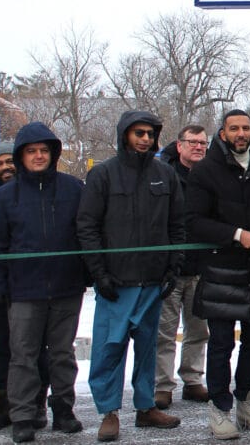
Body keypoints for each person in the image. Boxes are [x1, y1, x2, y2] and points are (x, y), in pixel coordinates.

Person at [77, 110, 184, 441]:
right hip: (116, 284)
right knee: (110, 350)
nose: (145, 139)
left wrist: (173, 267)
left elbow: (178, 225)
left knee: (148, 349)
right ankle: (109, 412)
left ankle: (146, 407)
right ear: (125, 135)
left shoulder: (165, 175)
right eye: (139, 133)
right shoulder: (104, 175)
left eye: (150, 134)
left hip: (153, 282)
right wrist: (99, 273)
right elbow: (87, 225)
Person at [0, 122, 86, 443]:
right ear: (21, 156)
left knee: (62, 353)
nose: (39, 156)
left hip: (66, 287)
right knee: (23, 355)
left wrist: (87, 274)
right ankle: (24, 415)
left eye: (44, 150)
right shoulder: (4, 196)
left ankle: (63, 410)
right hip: (24, 290)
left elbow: (85, 235)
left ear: (53, 153)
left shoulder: (73, 189)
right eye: (32, 151)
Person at [186, 109, 250, 440]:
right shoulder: (205, 171)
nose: (240, 133)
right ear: (223, 133)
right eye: (233, 128)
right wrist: (237, 234)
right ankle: (220, 410)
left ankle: (247, 404)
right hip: (222, 273)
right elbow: (194, 221)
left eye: (245, 127)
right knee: (222, 345)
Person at [0, 142, 44, 434]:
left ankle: (35, 406)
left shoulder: (35, 194)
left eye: (9, 161)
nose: (5, 168)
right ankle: (3, 406)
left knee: (33, 350)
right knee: (1, 350)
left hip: (31, 286)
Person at [154, 125, 210, 410]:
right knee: (165, 332)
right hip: (170, 268)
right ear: (179, 145)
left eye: (203, 143)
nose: (198, 147)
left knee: (198, 329)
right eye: (192, 142)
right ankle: (162, 386)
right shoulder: (163, 174)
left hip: (202, 267)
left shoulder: (209, 174)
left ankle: (193, 379)